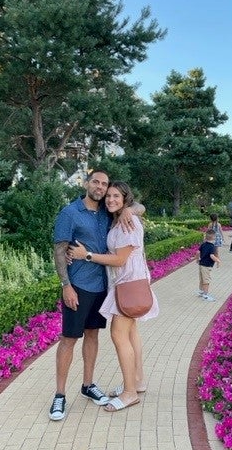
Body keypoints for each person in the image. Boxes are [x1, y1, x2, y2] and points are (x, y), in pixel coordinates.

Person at [49, 170, 141, 421]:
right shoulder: (70, 213)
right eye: (96, 182)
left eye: (104, 184)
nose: (100, 187)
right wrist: (65, 284)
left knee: (92, 336)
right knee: (69, 338)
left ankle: (88, 385)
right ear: (86, 183)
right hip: (77, 286)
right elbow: (59, 251)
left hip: (102, 286)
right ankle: (59, 395)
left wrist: (129, 211)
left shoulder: (106, 210)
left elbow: (138, 205)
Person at [69, 181, 159, 412]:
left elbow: (119, 259)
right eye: (108, 196)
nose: (110, 200)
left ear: (125, 198)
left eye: (116, 196)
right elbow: (140, 207)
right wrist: (131, 208)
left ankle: (130, 393)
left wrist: (85, 255)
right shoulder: (120, 218)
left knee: (118, 334)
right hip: (126, 283)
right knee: (130, 333)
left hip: (129, 284)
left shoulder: (128, 223)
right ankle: (137, 381)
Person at [195, 228, 220, 301]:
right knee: (206, 280)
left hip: (201, 264)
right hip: (206, 266)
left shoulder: (203, 244)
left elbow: (197, 252)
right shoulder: (212, 246)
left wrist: (197, 259)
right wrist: (218, 260)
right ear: (213, 237)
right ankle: (205, 295)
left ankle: (201, 291)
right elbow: (211, 256)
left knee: (202, 279)